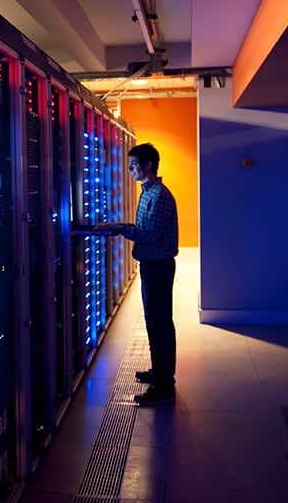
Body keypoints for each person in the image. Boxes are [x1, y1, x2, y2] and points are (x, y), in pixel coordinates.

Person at [97, 142, 178, 405]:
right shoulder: (147, 193)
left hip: (159, 266)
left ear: (148, 166)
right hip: (150, 265)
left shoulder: (160, 196)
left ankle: (165, 385)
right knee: (153, 322)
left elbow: (151, 235)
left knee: (161, 323)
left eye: (133, 165)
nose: (129, 169)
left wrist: (119, 227)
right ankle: (159, 372)